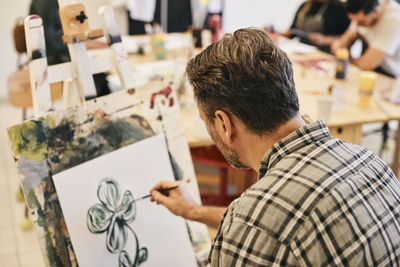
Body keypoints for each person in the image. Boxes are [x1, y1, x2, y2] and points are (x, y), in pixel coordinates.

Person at [150, 28, 400, 265]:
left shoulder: (253, 219)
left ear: (225, 124)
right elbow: (278, 221)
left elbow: (263, 223)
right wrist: (193, 210)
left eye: (207, 123)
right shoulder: (371, 163)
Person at [29, 0, 111, 97]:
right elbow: (53, 42)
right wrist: (89, 44)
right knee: (95, 73)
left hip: (57, 50)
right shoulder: (47, 3)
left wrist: (90, 42)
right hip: (54, 56)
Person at [332, 0, 400, 78]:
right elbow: (344, 40)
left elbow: (366, 64)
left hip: (388, 74)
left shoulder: (394, 20)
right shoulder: (363, 8)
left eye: (361, 22)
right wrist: (340, 45)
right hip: (365, 67)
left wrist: (345, 58)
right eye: (354, 21)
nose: (357, 25)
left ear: (376, 11)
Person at [283, 0, 350, 52]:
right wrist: (281, 34)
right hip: (302, 50)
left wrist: (324, 40)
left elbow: (346, 38)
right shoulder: (304, 6)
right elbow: (292, 31)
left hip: (325, 54)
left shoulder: (339, 7)